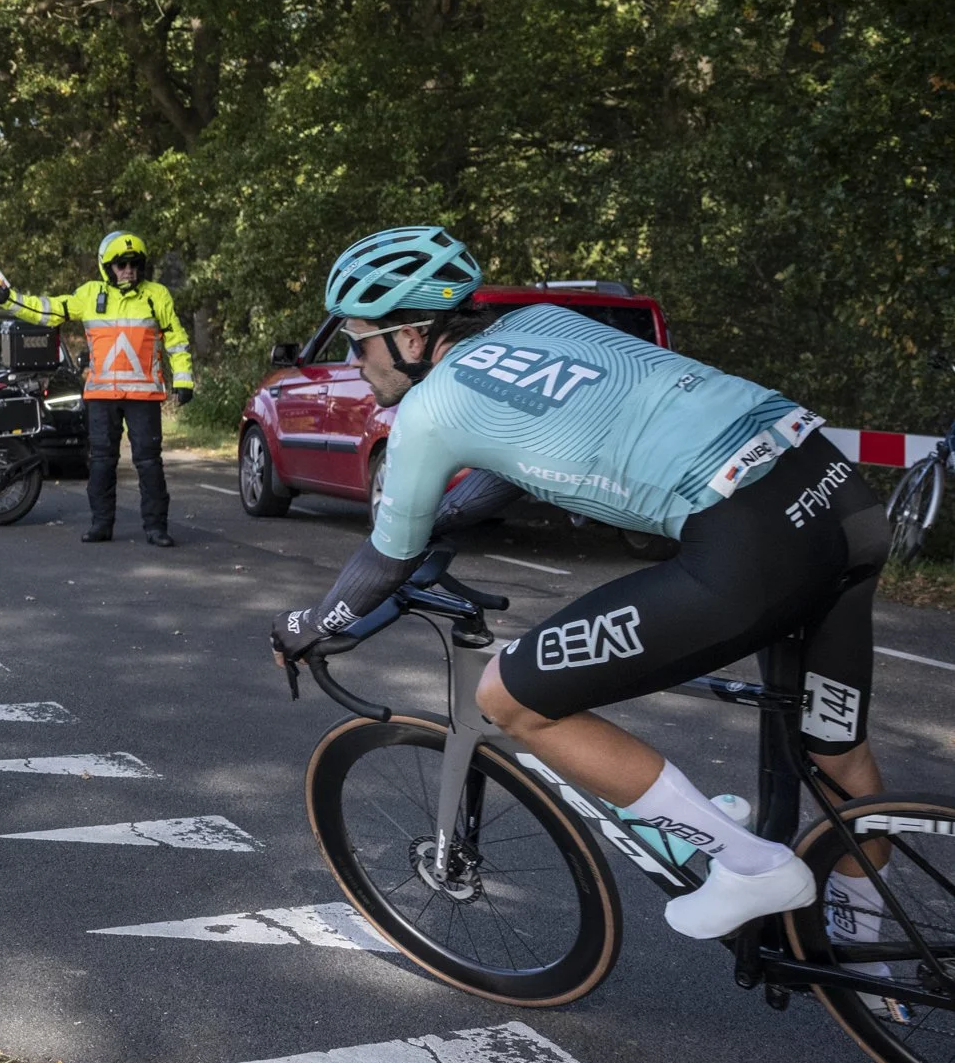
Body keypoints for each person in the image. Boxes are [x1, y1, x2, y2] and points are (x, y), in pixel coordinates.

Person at [271, 226, 890, 944]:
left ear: (412, 338)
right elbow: (510, 467)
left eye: (359, 341)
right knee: (837, 751)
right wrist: (446, 518)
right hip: (839, 496)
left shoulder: (430, 409)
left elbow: (385, 559)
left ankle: (748, 861)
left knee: (510, 695)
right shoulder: (542, 323)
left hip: (752, 539)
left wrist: (307, 625)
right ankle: (868, 959)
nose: (353, 358)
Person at [0, 230, 194, 545]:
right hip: (101, 396)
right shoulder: (89, 294)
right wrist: (10, 299)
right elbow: (48, 310)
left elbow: (176, 339)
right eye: (120, 264)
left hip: (143, 396)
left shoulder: (157, 295)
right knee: (101, 462)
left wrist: (184, 379)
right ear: (106, 267)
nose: (128, 270)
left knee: (149, 463)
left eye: (134, 264)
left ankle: (156, 527)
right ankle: (101, 524)